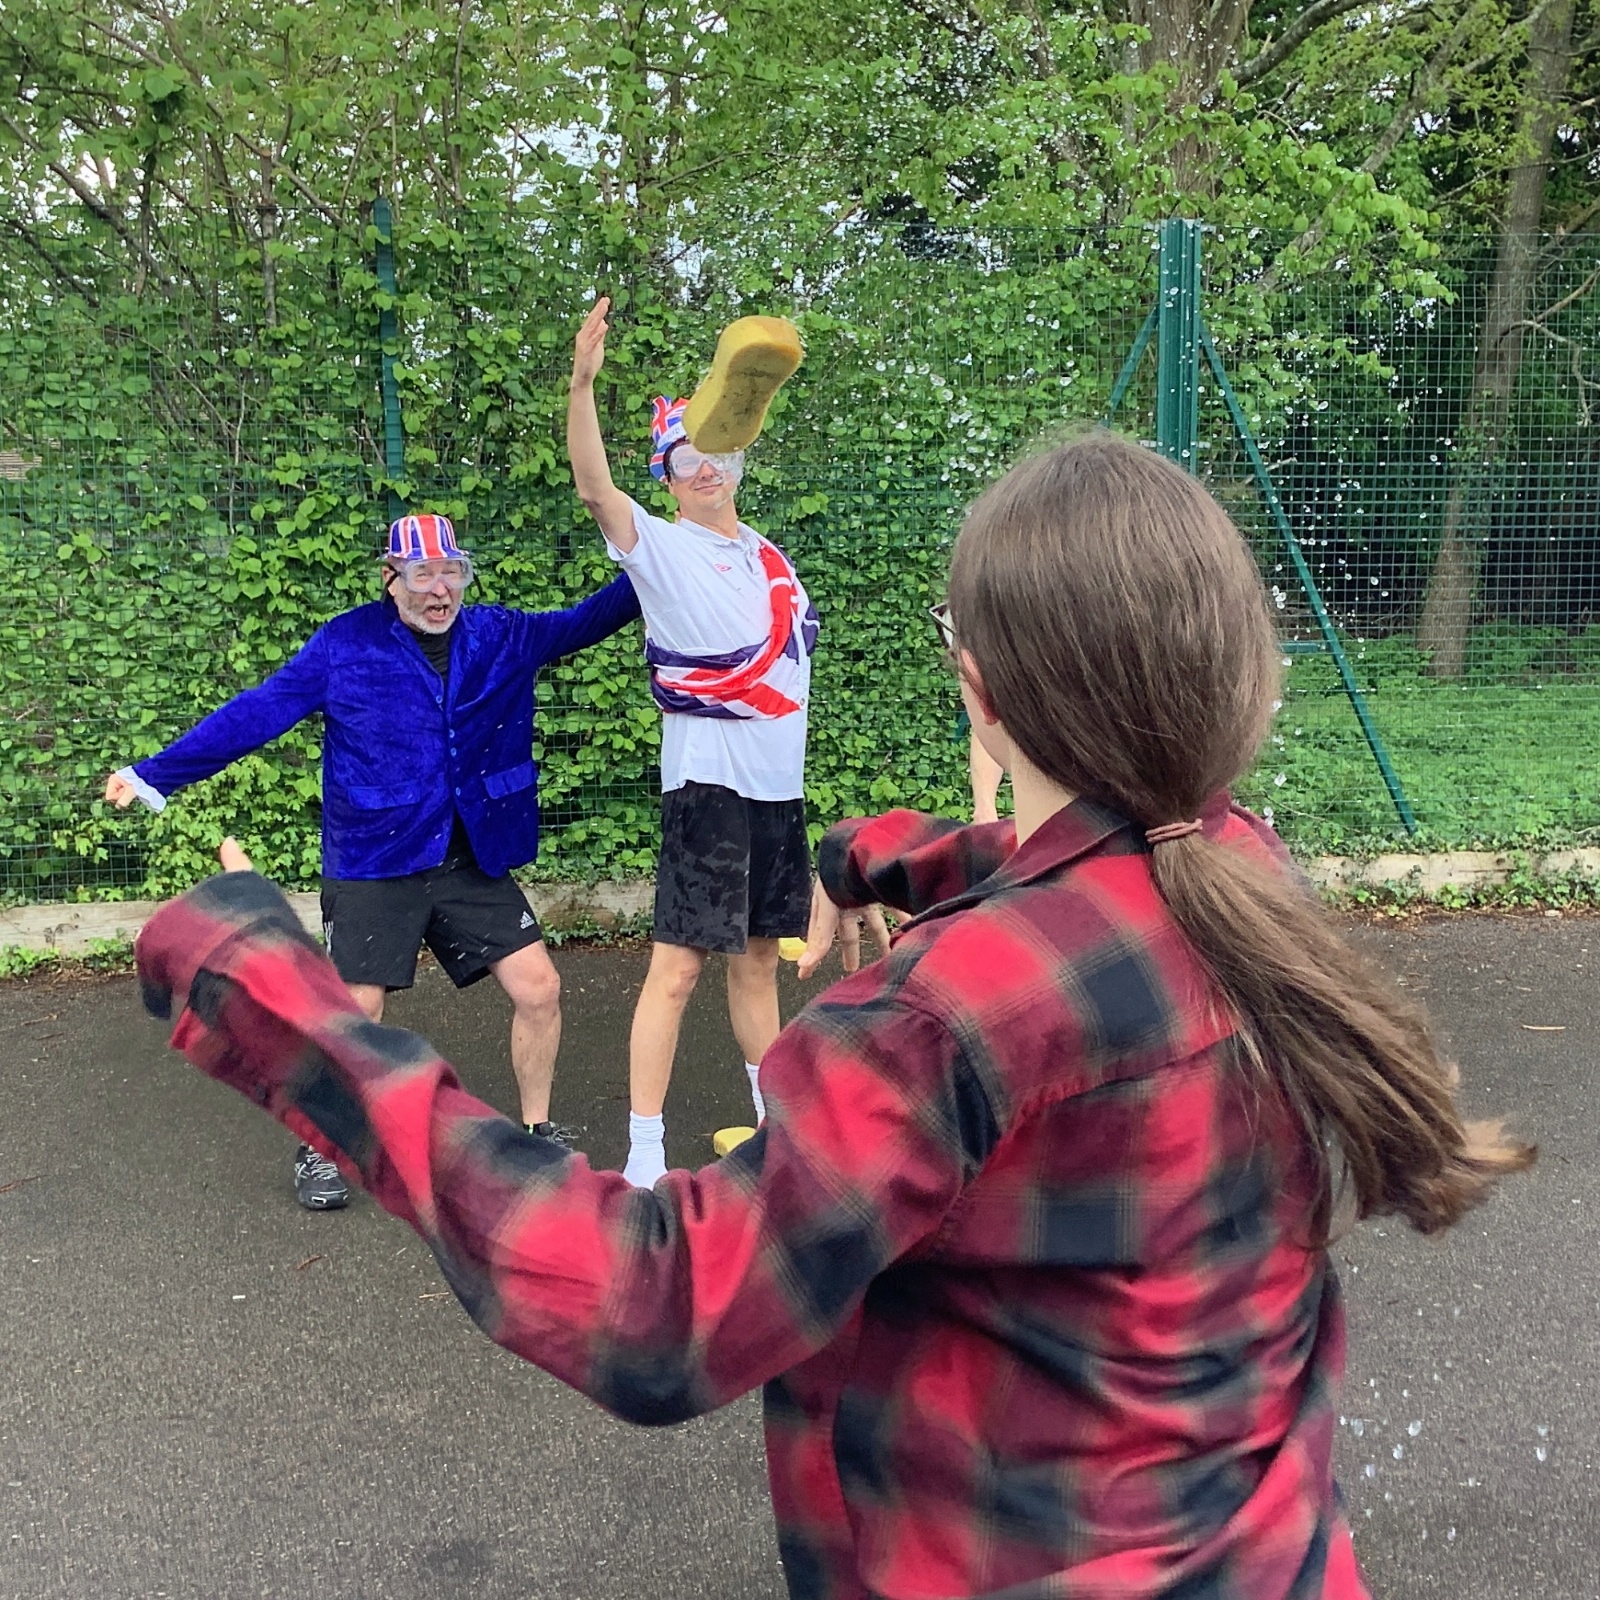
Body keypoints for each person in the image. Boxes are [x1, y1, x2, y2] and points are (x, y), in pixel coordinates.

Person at [135, 432, 1532, 1598]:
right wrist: (887, 852)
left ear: (979, 693)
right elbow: (1089, 860)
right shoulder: (1243, 869)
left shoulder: (942, 1020)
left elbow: (659, 1306)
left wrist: (274, 999)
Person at [107, 512, 640, 1208]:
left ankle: (538, 1132)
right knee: (355, 1012)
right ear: (391, 579)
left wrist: (657, 554)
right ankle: (322, 1147)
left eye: (452, 573)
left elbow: (590, 619)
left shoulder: (502, 634)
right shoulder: (344, 645)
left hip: (467, 854)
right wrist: (154, 775)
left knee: (539, 987)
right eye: (423, 574)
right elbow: (259, 711)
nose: (440, 589)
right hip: (374, 856)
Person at [565, 296, 819, 1186]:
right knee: (675, 972)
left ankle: (775, 1129)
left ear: (739, 457)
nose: (704, 469)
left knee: (759, 965)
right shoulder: (661, 551)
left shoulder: (770, 559)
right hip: (707, 791)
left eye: (716, 453)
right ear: (666, 480)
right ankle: (644, 1156)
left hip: (777, 793)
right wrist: (582, 386)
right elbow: (595, 489)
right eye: (683, 461)